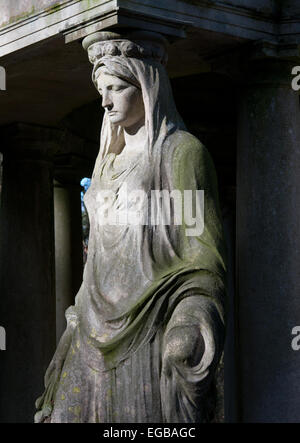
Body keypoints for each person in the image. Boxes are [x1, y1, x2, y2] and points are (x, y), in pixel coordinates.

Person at [35, 31, 226, 423]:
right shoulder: (105, 162)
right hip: (90, 326)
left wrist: (190, 317)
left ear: (146, 86)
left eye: (116, 88)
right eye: (101, 89)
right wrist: (74, 320)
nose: (104, 101)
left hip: (151, 323)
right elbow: (98, 259)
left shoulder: (183, 154)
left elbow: (202, 255)